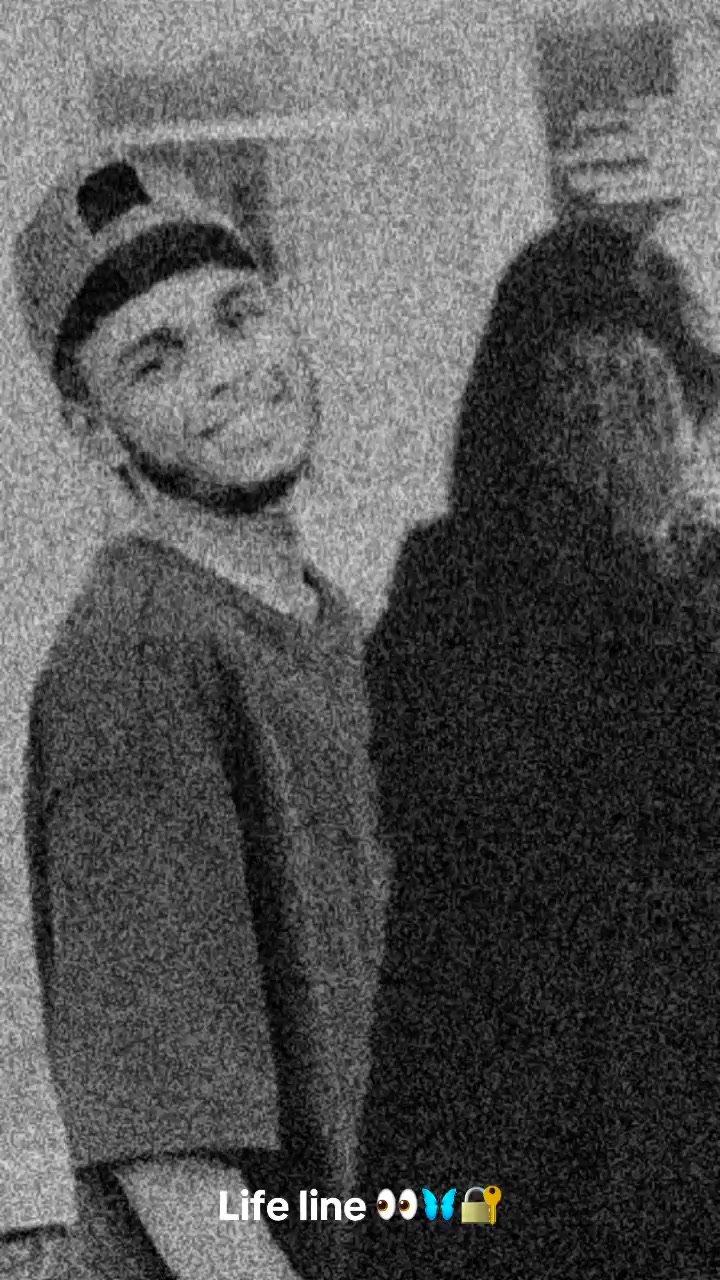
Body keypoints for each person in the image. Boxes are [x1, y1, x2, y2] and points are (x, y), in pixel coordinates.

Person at [8, 153, 389, 1280]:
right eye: (156, 359)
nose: (227, 372)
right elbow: (178, 1172)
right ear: (94, 431)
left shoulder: (332, 625)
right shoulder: (135, 668)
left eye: (238, 316)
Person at [357, 218, 720, 1278]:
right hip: (551, 1190)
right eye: (672, 411)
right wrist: (647, 553)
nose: (690, 446)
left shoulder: (666, 589)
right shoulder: (470, 609)